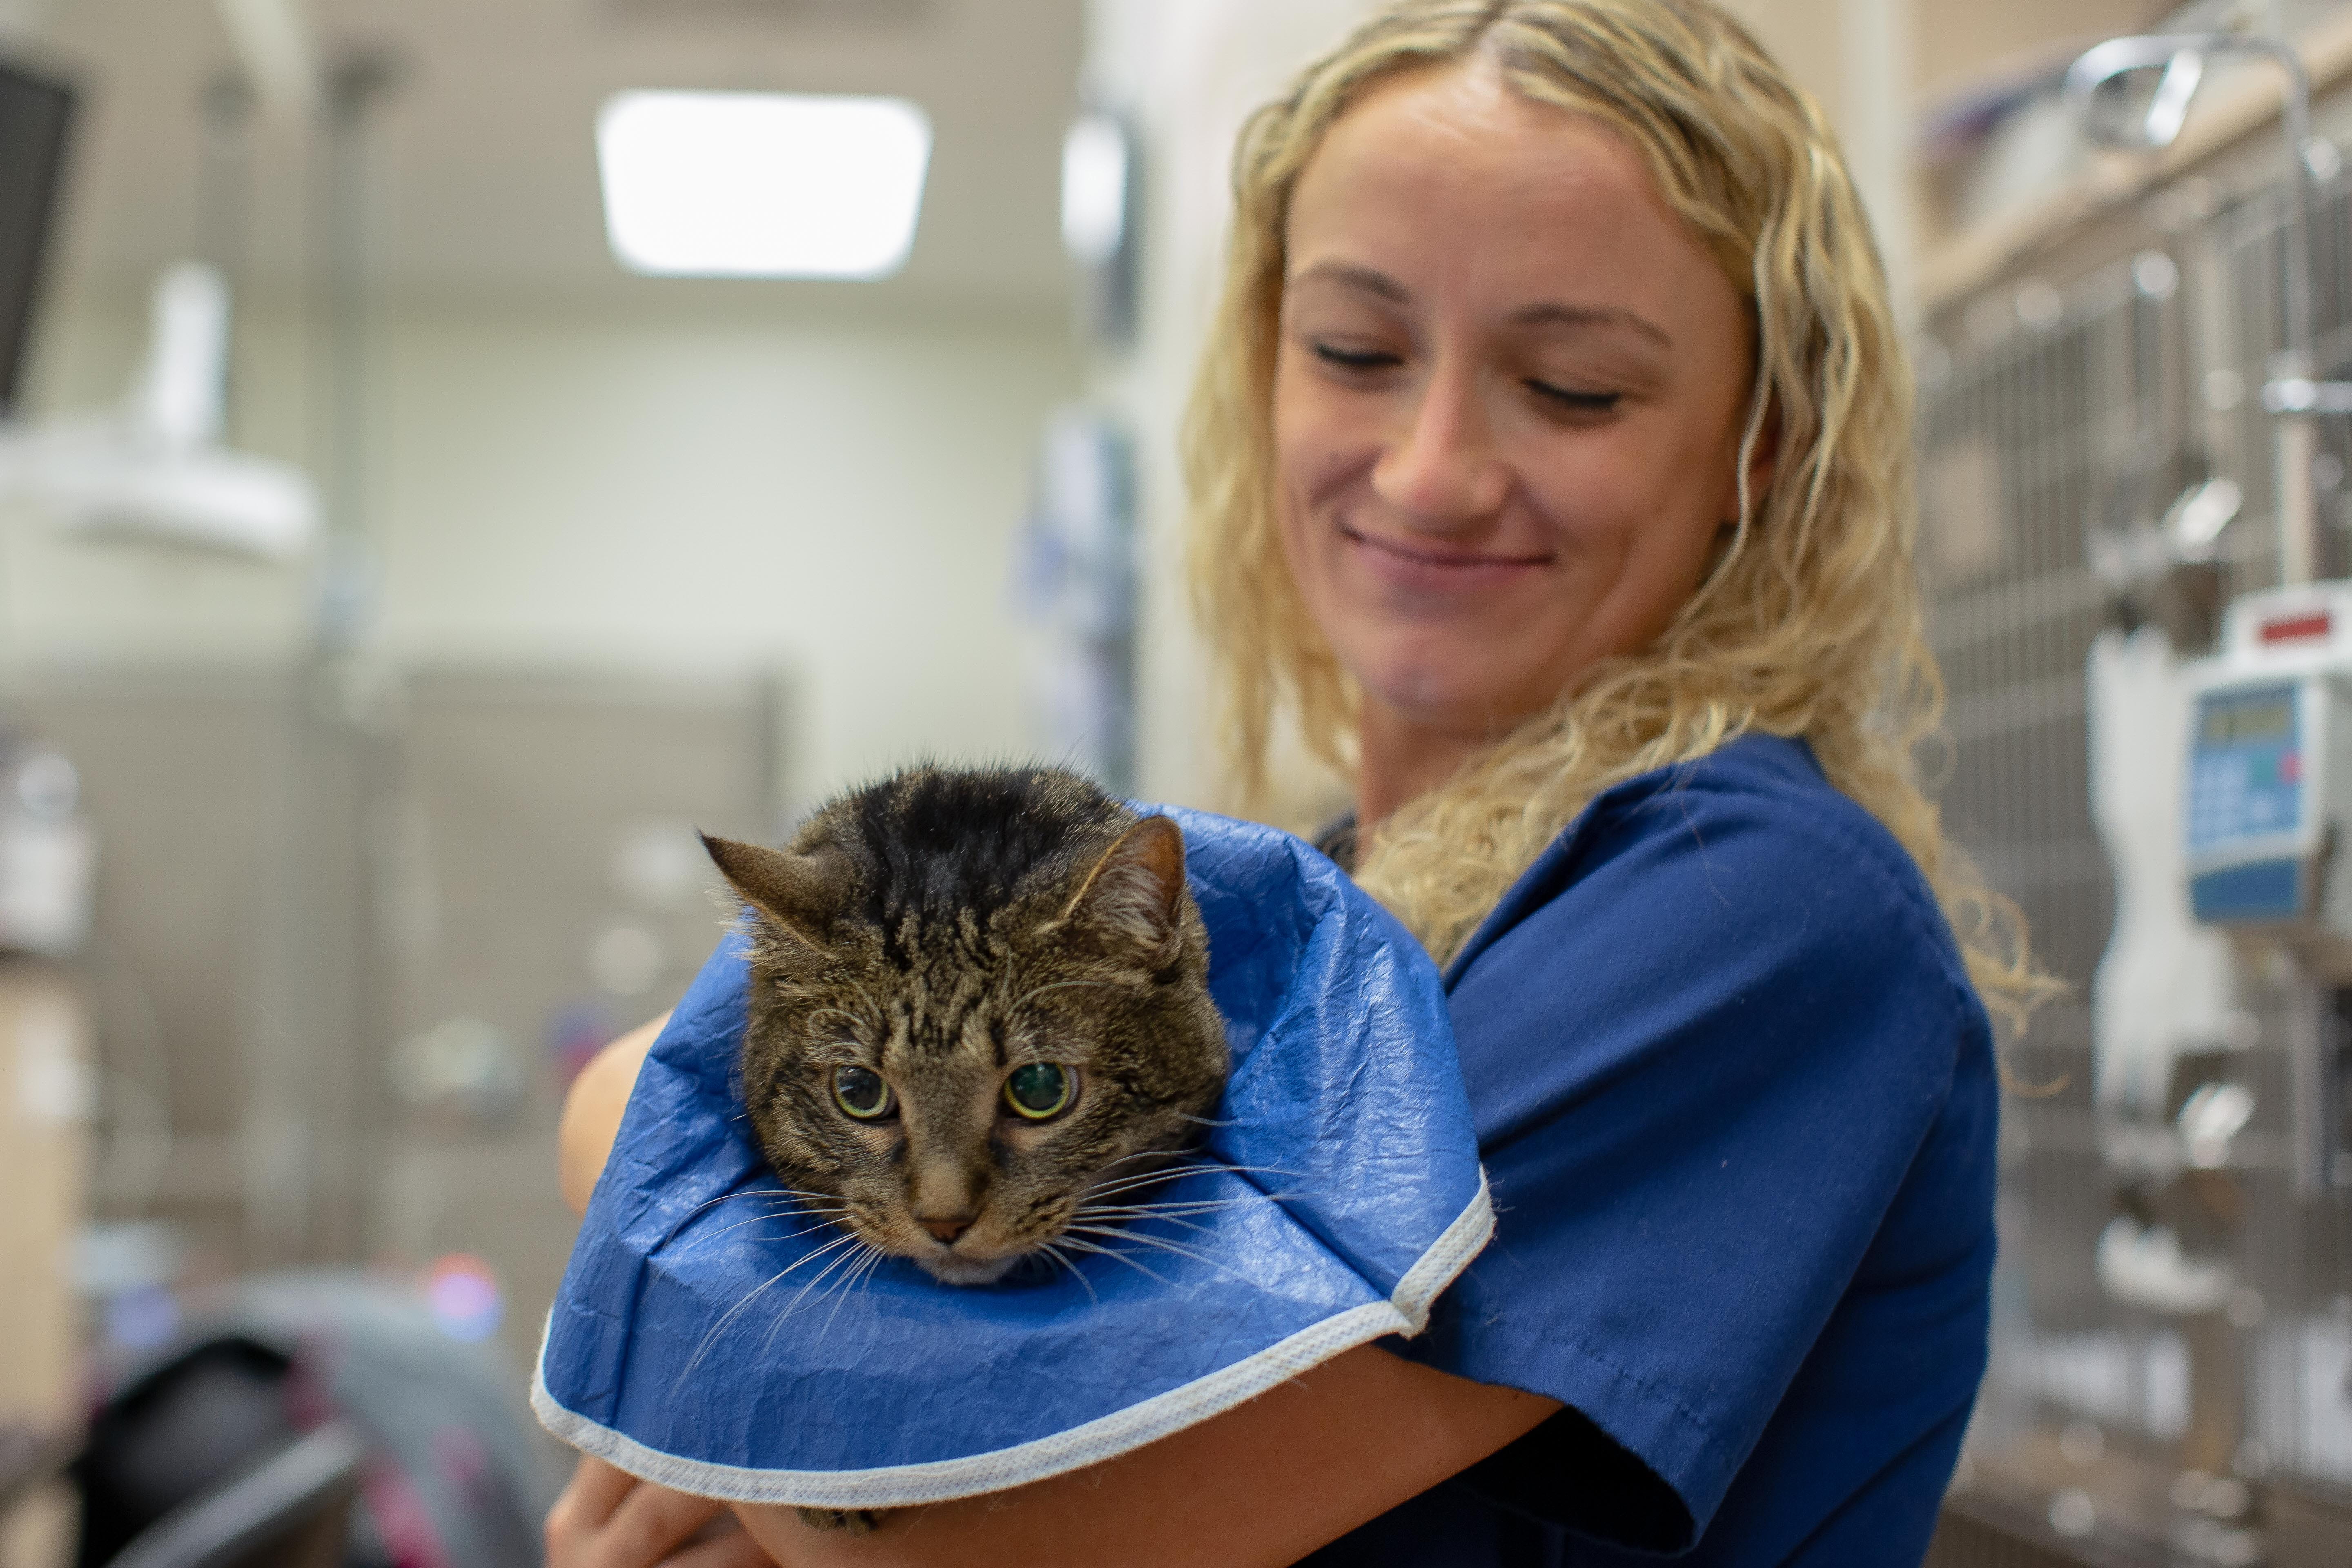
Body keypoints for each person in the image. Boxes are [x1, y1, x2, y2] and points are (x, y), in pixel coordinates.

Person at [543, 2, 2044, 1564]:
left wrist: (616, 1133)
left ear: (1764, 447)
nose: (1429, 472)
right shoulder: (1309, 925)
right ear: (1261, 379)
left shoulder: (1749, 910)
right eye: (1356, 352)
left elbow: (992, 1546)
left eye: (1577, 387)